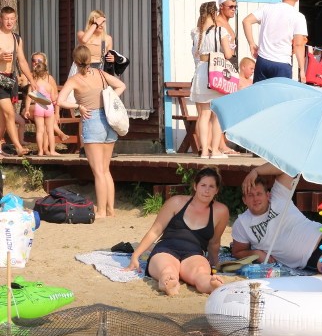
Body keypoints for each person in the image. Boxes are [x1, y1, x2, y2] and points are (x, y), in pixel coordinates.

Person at [125, 167, 228, 296]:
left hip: (194, 253)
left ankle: (211, 285)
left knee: (201, 272)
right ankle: (168, 283)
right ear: (195, 186)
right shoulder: (176, 202)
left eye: (211, 186)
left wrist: (215, 264)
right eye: (203, 185)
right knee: (168, 270)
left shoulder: (220, 211)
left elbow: (214, 242)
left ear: (217, 190)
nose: (207, 190)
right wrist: (136, 255)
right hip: (166, 249)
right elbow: (155, 231)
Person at [57, 45, 126, 218]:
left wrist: (78, 106)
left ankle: (101, 210)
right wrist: (110, 98)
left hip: (91, 119)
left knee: (98, 172)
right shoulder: (101, 74)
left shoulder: (74, 80)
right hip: (109, 120)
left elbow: (60, 101)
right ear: (90, 59)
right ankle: (111, 209)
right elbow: (121, 85)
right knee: (106, 169)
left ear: (75, 60)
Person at [189, 0, 235, 159]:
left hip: (201, 73)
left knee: (203, 115)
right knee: (216, 115)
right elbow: (228, 54)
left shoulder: (196, 33)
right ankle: (215, 150)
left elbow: (195, 54)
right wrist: (231, 47)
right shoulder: (220, 31)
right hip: (215, 73)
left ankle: (203, 151)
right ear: (214, 13)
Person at [242, 0, 308, 83]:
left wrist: (251, 44)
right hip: (282, 63)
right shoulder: (299, 17)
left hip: (263, 60)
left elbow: (246, 21)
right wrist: (302, 70)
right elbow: (299, 44)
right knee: (279, 97)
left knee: (260, 96)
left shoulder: (267, 8)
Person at [0, 7, 37, 156]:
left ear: (15, 20)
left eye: (11, 19)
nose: (9, 22)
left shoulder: (17, 38)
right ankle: (18, 147)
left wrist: (31, 80)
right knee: (9, 113)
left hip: (10, 79)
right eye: (6, 18)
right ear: (1, 19)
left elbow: (21, 61)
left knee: (2, 117)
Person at [23, 60, 60, 156]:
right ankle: (52, 151)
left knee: (40, 130)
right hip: (48, 107)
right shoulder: (49, 86)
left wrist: (27, 110)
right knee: (50, 130)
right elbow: (53, 99)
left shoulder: (33, 85)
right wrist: (56, 109)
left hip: (39, 107)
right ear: (46, 72)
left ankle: (40, 151)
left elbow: (28, 98)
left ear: (35, 72)